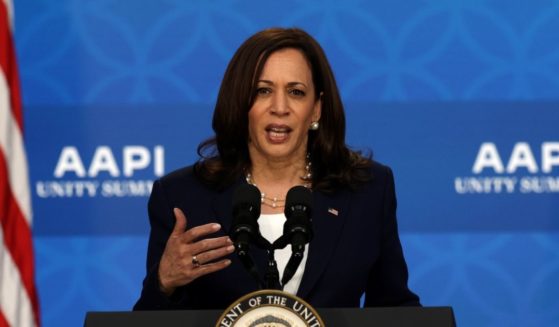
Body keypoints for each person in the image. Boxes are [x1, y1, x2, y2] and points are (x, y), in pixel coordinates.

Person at [134, 27, 420, 310]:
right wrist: (164, 282)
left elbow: (393, 308)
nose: (279, 107)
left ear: (316, 109)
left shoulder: (367, 190)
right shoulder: (182, 197)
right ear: (240, 103)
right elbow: (151, 320)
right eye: (263, 91)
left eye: (296, 92)